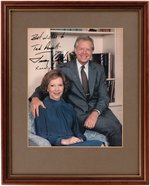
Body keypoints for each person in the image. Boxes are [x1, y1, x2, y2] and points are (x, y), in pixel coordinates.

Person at [30, 35, 122, 146]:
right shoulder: (64, 69)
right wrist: (35, 98)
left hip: (98, 108)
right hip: (79, 113)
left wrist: (95, 113)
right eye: (81, 49)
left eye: (88, 49)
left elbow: (104, 96)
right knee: (113, 129)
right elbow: (45, 86)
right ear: (75, 50)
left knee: (119, 127)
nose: (84, 52)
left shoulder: (99, 68)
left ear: (92, 51)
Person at [34, 70, 103, 146]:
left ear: (64, 87)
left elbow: (77, 132)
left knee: (100, 144)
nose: (57, 89)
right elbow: (41, 135)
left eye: (60, 85)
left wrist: (80, 138)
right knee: (99, 145)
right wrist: (63, 141)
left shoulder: (69, 107)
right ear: (47, 88)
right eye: (52, 86)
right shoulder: (41, 108)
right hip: (59, 146)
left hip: (74, 144)